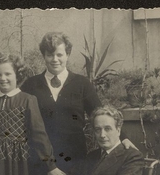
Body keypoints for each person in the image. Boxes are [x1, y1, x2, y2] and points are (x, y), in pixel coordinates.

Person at [21, 32, 136, 174]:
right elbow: (19, 118)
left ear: (68, 55)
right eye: (50, 55)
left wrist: (123, 138)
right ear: (43, 56)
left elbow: (99, 113)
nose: (55, 59)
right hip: (41, 159)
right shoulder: (31, 85)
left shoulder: (82, 84)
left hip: (74, 159)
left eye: (59, 54)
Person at [0, 52, 65, 175]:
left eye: (8, 74)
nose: (3, 78)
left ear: (17, 75)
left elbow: (39, 135)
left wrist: (51, 166)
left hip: (19, 162)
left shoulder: (28, 100)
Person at [75, 106, 144, 175]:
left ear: (118, 130)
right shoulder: (92, 156)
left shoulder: (132, 157)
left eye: (107, 129)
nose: (102, 135)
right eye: (98, 130)